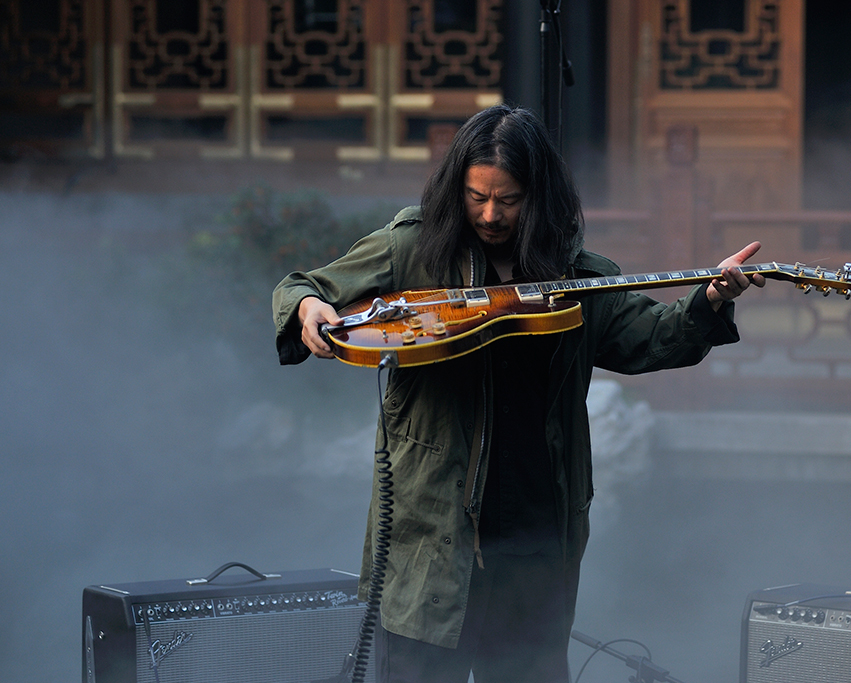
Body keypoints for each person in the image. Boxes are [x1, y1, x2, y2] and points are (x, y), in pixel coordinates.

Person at [272, 104, 764, 683]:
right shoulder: (413, 249)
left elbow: (651, 339)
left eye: (507, 199)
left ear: (538, 196)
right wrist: (308, 310)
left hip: (534, 535)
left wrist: (710, 300)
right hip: (434, 535)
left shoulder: (577, 274)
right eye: (477, 197)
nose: (489, 214)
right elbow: (303, 286)